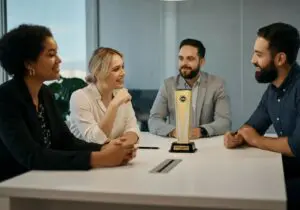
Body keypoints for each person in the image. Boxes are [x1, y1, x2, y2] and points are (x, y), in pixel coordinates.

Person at [0, 24, 136, 182]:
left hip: (43, 180)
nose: (59, 60)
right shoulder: (5, 98)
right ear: (28, 63)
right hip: (13, 188)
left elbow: (65, 141)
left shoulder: (45, 93)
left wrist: (106, 148)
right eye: (51, 55)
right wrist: (100, 157)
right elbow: (31, 155)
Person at [223, 22, 300, 210]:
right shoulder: (272, 90)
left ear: (280, 58)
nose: (252, 60)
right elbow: (251, 127)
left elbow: (296, 146)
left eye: (259, 55)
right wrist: (237, 137)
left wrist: (255, 140)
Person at [148, 38, 231, 138]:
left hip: (207, 146)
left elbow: (224, 122)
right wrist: (173, 132)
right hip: (176, 145)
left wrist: (202, 131)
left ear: (202, 62)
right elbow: (154, 119)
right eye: (181, 58)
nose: (184, 63)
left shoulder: (217, 84)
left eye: (190, 58)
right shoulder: (168, 85)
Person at [69, 47, 139, 144]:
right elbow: (95, 140)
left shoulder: (121, 93)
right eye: (116, 69)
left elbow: (132, 129)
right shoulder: (79, 97)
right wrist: (114, 105)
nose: (123, 73)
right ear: (98, 72)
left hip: (114, 155)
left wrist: (124, 146)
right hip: (86, 157)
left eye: (122, 67)